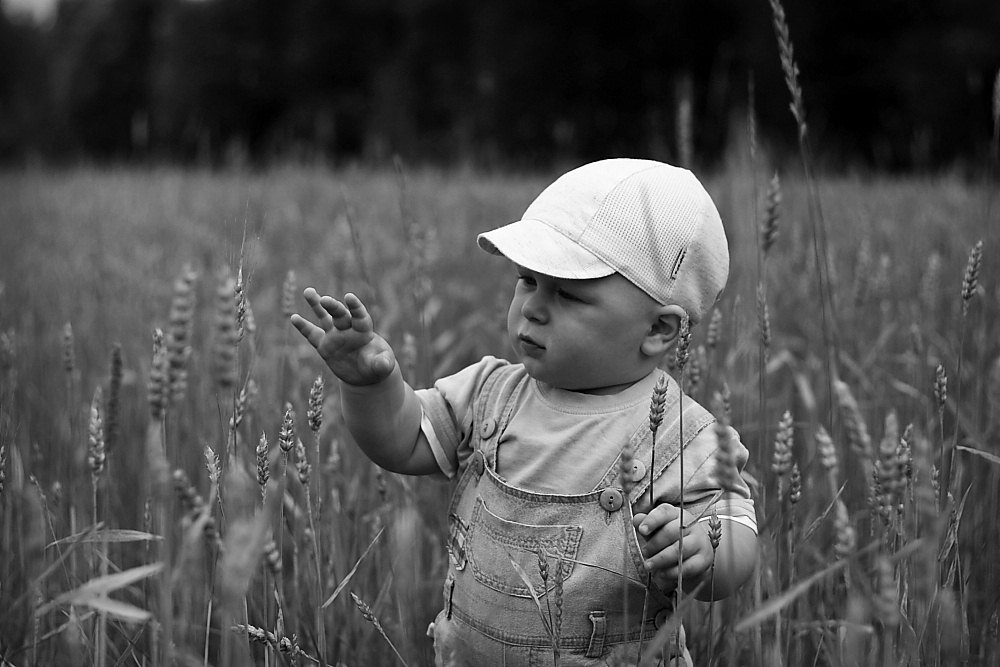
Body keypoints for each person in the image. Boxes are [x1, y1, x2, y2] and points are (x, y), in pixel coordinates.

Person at [291, 158, 758, 666]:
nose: (533, 307)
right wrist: (371, 386)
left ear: (659, 330)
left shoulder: (683, 437)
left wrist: (705, 552)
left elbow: (736, 534)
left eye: (569, 294)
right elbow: (400, 442)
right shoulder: (491, 393)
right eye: (527, 280)